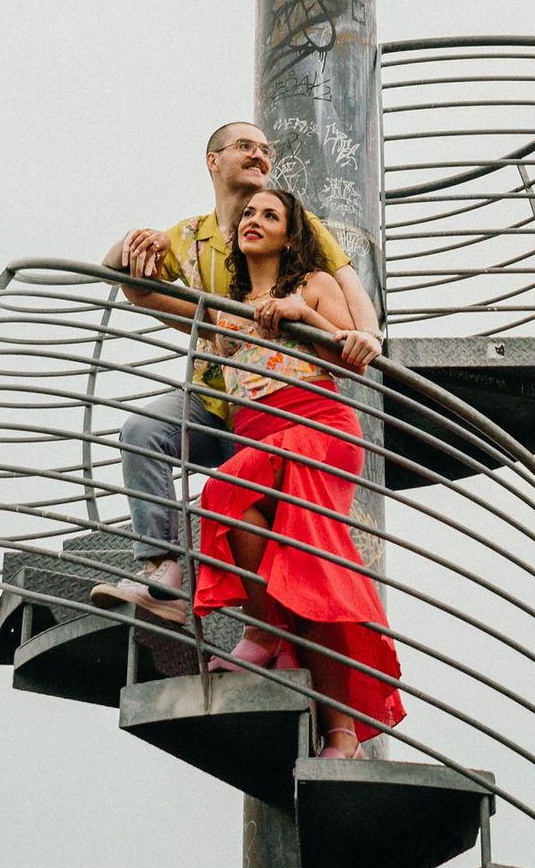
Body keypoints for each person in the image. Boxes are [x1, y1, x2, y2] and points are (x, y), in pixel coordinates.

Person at [91, 123, 358, 620]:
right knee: (143, 432)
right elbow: (133, 284)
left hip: (280, 412)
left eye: (265, 149)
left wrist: (369, 335)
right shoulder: (190, 238)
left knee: (267, 523)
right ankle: (163, 571)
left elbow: (348, 291)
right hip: (216, 399)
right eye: (245, 146)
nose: (259, 155)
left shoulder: (300, 229)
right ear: (213, 160)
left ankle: (270, 630)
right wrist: (132, 242)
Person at [191, 182, 402, 760]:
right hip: (258, 438)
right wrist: (133, 257)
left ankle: (266, 636)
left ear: (290, 235)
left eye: (270, 215)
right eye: (248, 213)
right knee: (303, 571)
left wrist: (302, 314)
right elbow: (150, 297)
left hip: (316, 428)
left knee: (226, 492)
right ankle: (336, 726)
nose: (254, 219)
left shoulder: (313, 284)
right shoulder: (226, 305)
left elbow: (350, 360)